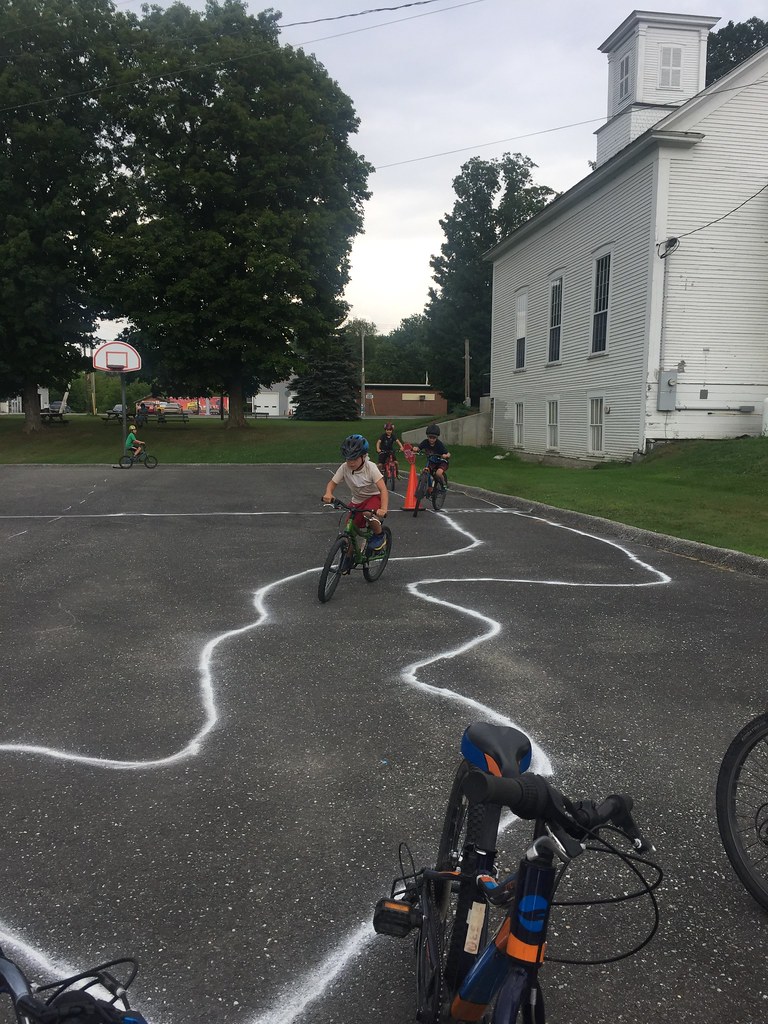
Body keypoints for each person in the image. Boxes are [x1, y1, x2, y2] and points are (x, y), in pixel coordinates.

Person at [322, 434, 389, 555]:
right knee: (350, 529)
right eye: (348, 459)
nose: (351, 463)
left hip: (374, 497)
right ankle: (348, 559)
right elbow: (332, 483)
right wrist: (328, 493)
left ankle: (379, 535)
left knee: (367, 513)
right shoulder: (344, 468)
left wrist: (383, 509)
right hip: (357, 500)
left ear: (363, 456)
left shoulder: (371, 468)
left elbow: (383, 489)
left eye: (354, 459)